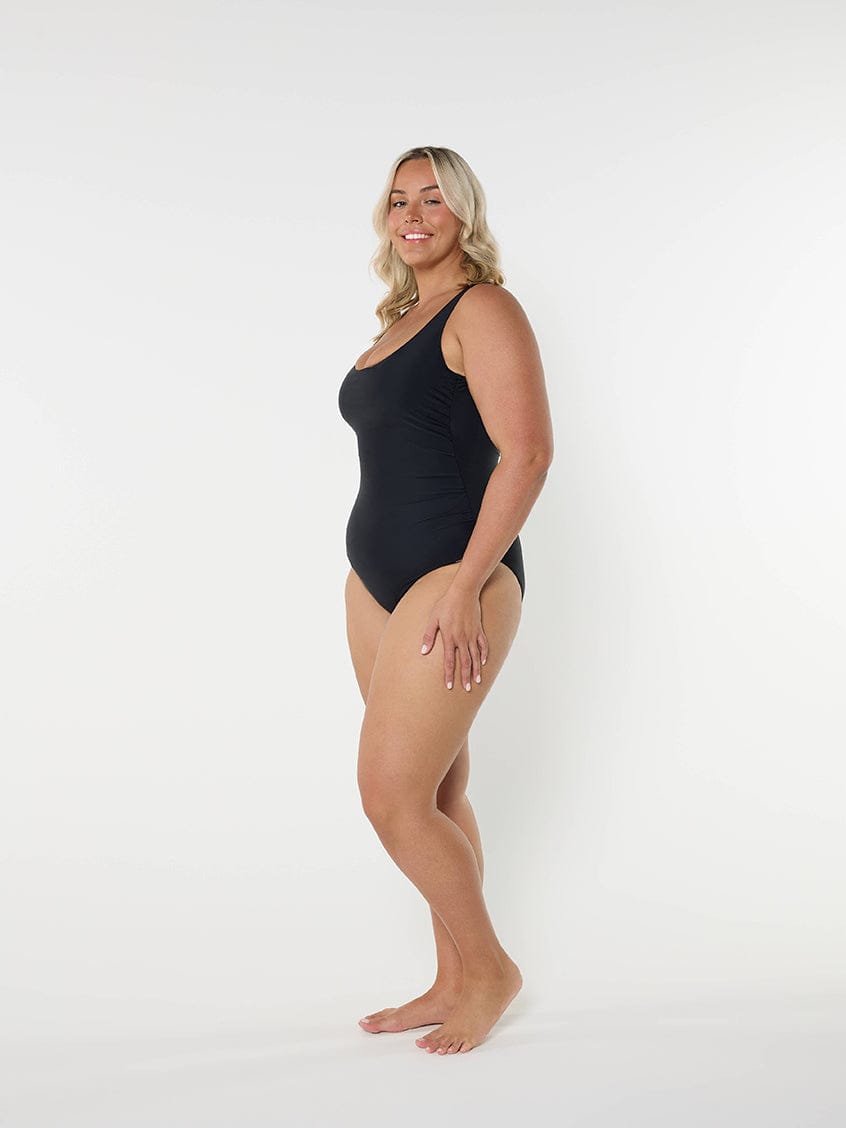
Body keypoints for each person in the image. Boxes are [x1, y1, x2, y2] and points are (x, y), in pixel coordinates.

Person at [338, 146, 554, 1055]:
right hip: (378, 582)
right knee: (435, 786)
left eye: (432, 198)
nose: (412, 213)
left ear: (464, 212)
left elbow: (528, 453)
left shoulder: (485, 308)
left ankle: (491, 970)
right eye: (398, 199)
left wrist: (468, 584)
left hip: (454, 576)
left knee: (390, 796)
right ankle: (451, 978)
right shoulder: (400, 318)